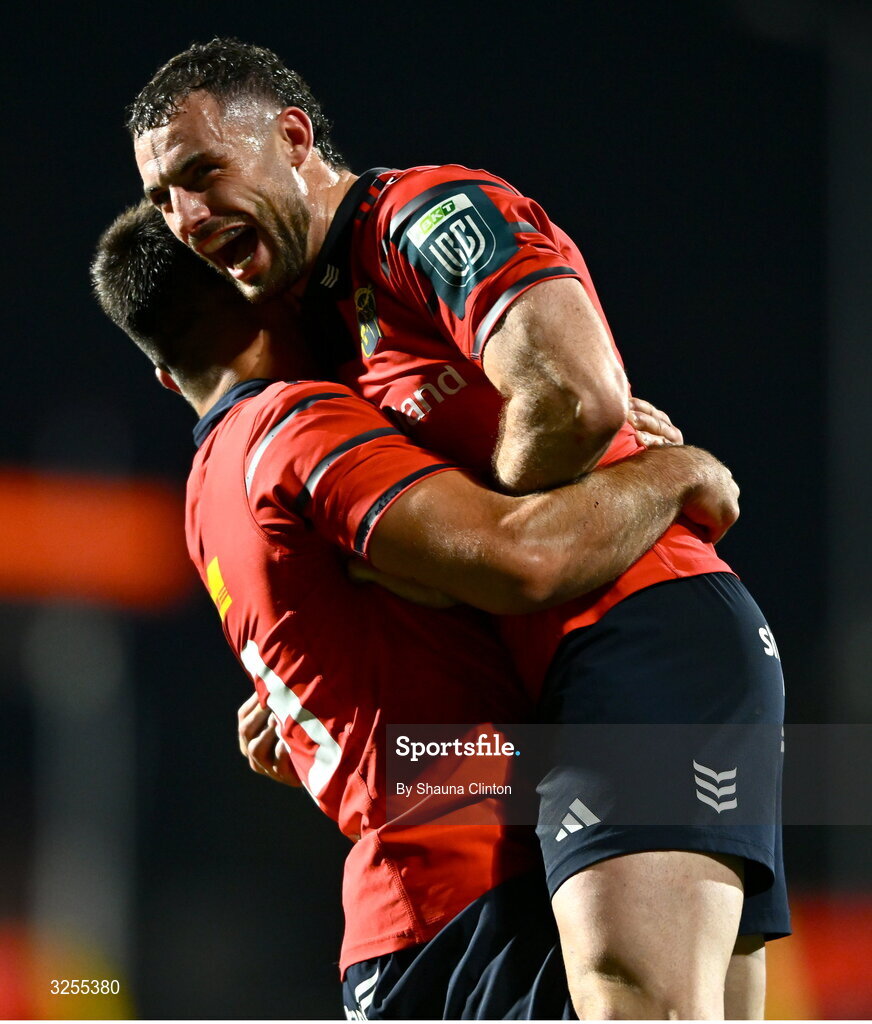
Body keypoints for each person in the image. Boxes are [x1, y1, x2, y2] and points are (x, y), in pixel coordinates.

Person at [128, 38, 789, 1019]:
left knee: (632, 1003)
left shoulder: (420, 216)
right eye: (162, 199)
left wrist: (506, 528)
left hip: (634, 630)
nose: (184, 219)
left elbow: (570, 395)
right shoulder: (317, 337)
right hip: (556, 686)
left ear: (292, 138)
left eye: (200, 173)